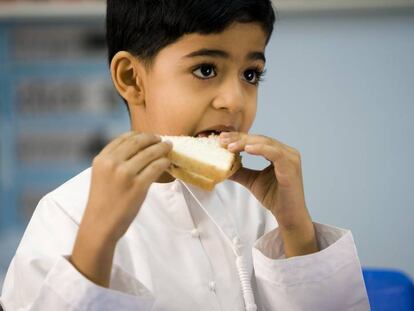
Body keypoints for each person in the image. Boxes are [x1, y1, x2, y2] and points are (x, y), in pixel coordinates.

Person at [0, 1, 370, 310]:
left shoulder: (254, 204)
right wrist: (97, 238)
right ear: (131, 79)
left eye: (251, 74)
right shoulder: (66, 214)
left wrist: (296, 228)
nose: (235, 101)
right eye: (205, 69)